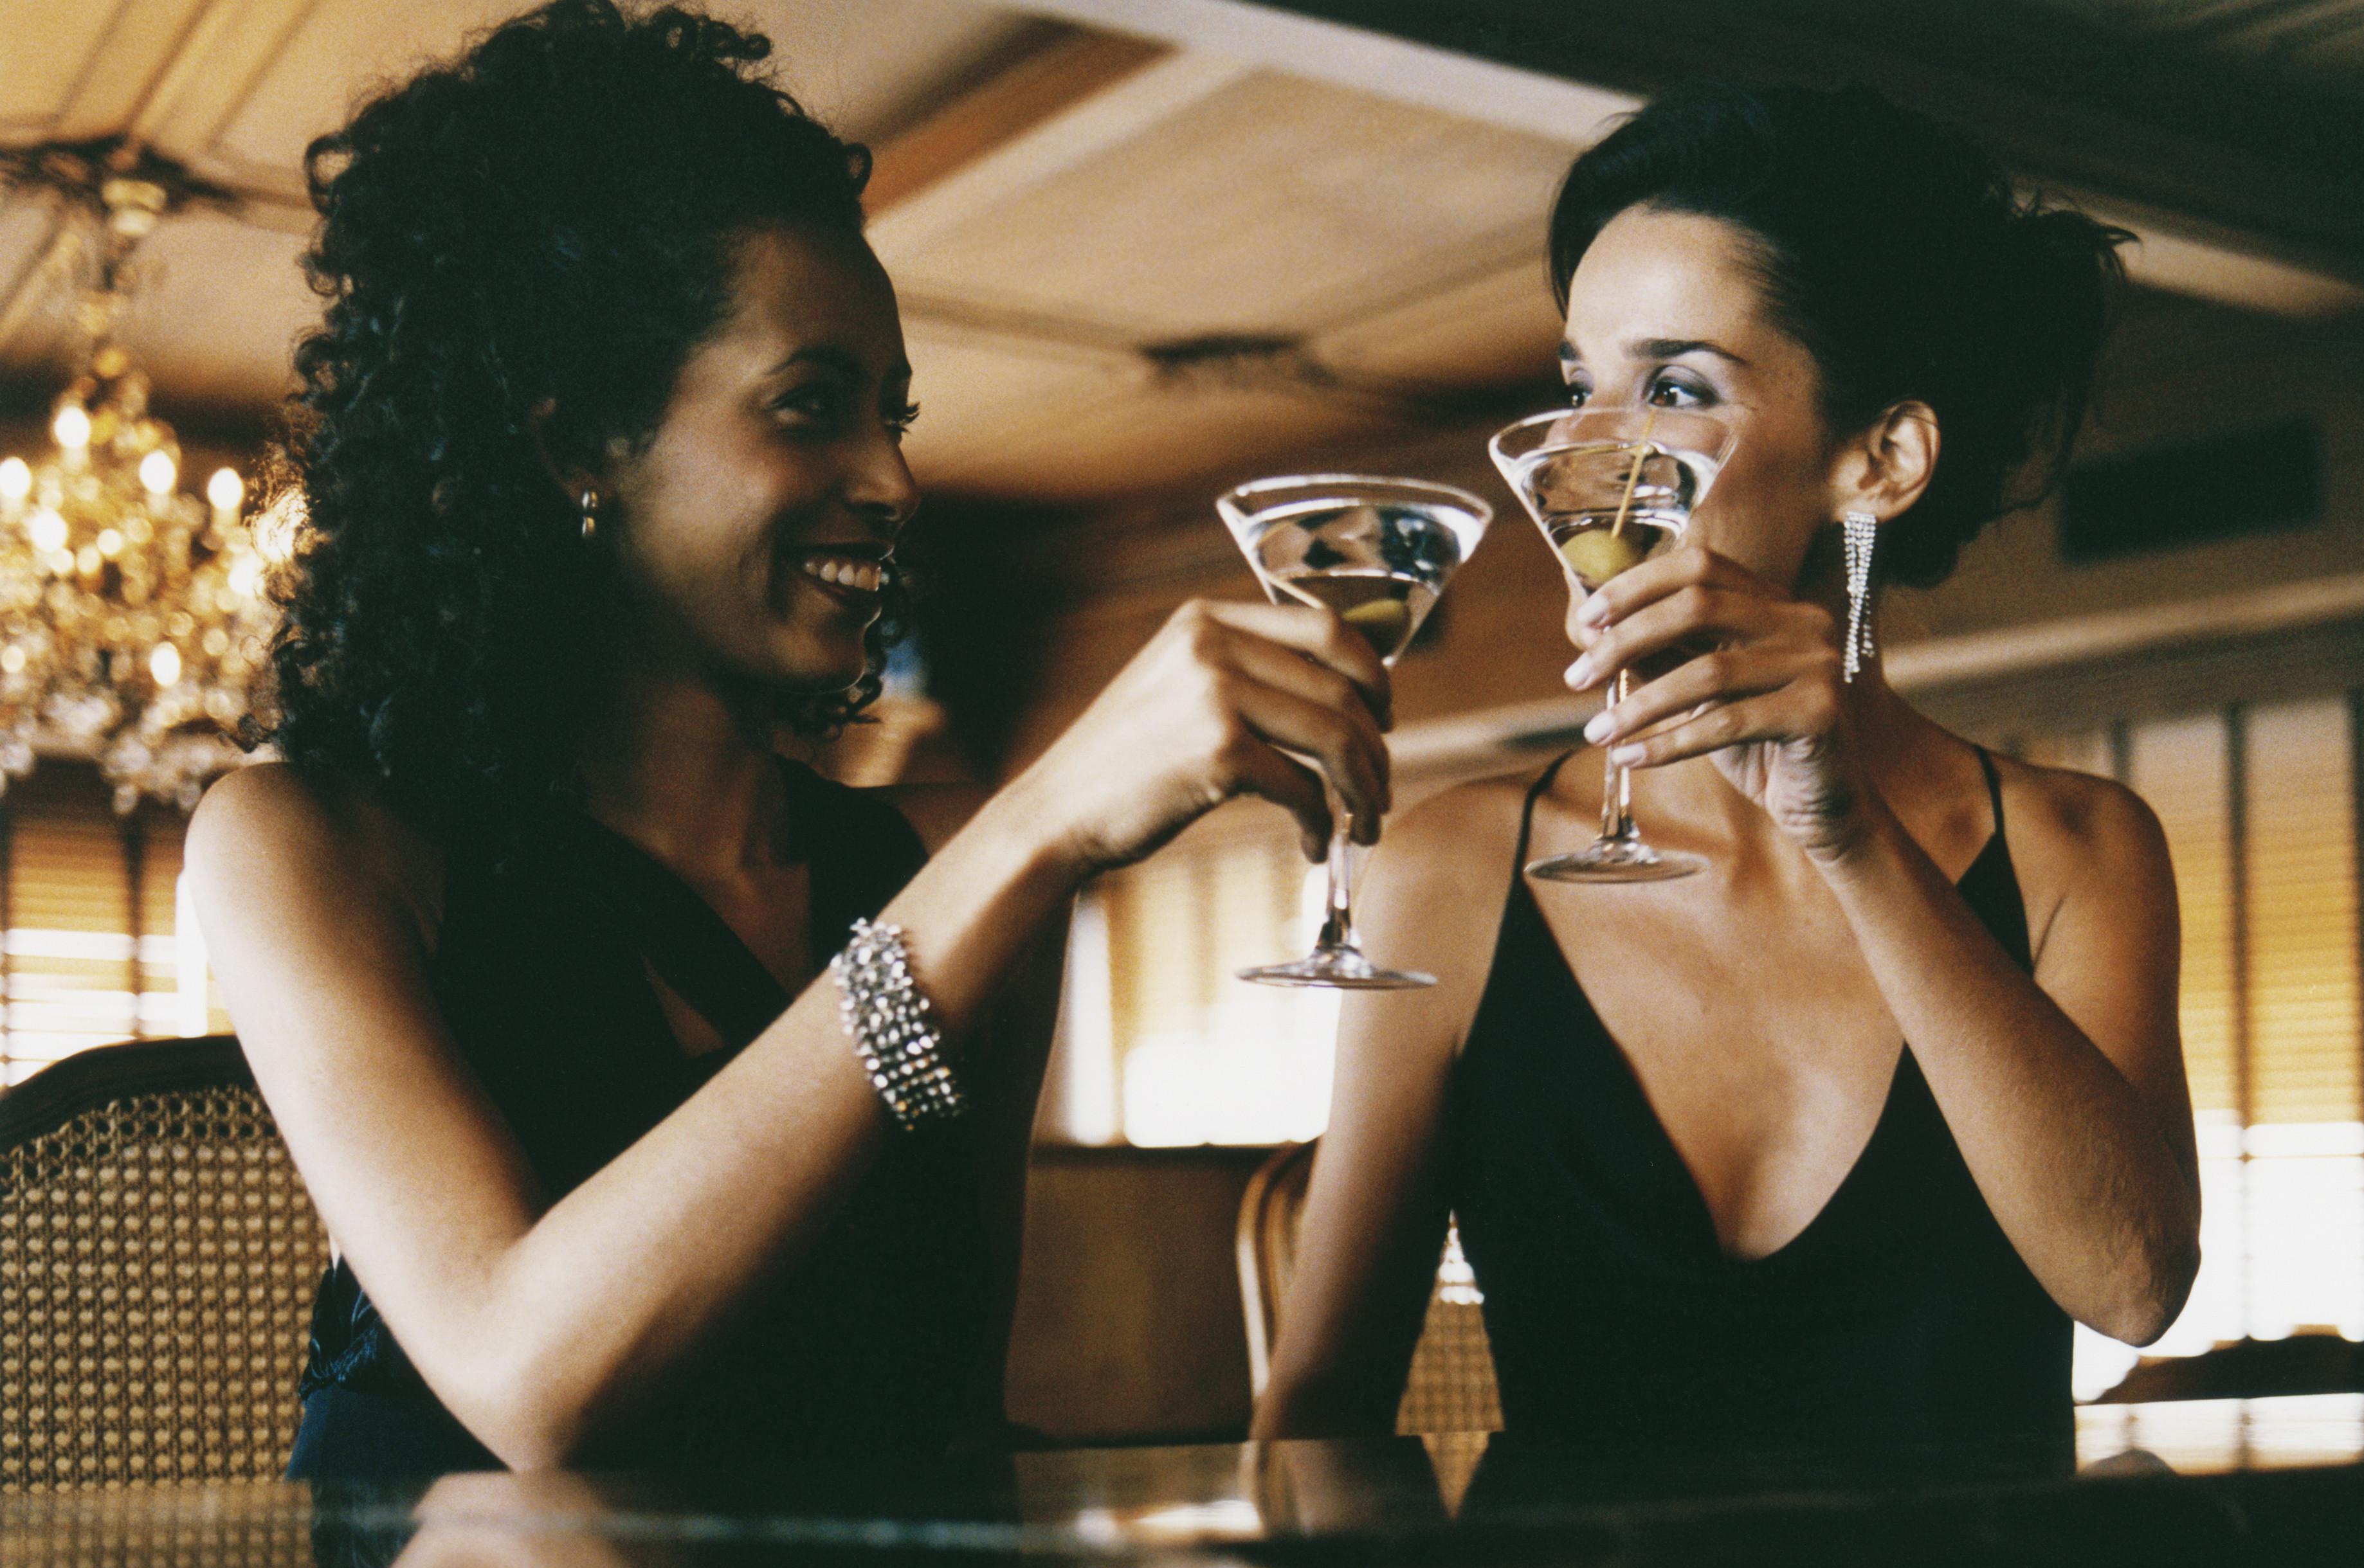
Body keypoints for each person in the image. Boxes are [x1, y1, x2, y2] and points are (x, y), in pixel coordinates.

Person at [186, 0, 1394, 1489]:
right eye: (810, 407)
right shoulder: (305, 845)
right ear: (578, 447)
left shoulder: (947, 862)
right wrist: (1034, 828)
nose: (889, 479)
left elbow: (954, 1416)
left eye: (892, 415)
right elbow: (530, 1381)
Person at [1255, 84, 2200, 1451]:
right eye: (1578, 385)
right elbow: (1319, 1407)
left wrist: (1852, 841)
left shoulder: (2076, 849)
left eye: (1674, 387)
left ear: (1878, 459)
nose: (1587, 450)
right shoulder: (1450, 869)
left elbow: (2131, 1285)